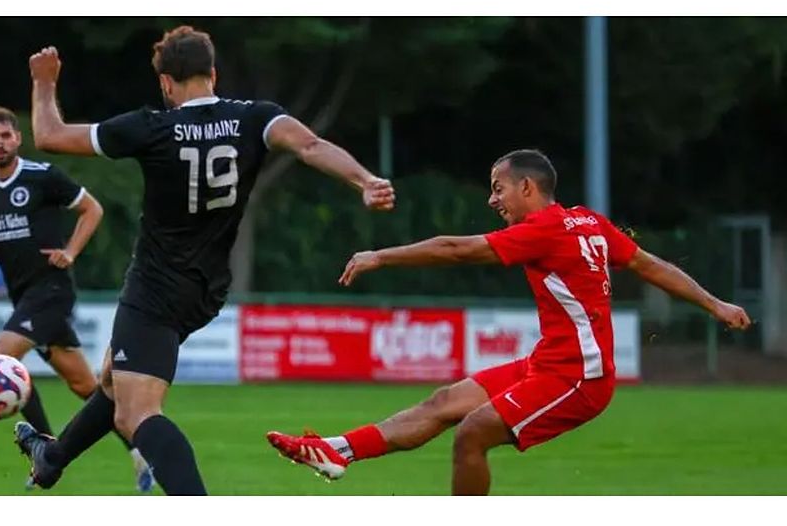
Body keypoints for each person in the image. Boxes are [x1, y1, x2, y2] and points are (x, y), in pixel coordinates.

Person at [14, 25, 395, 496]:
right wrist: (365, 180)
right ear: (212, 73)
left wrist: (45, 82)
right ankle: (50, 458)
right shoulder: (256, 119)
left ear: (165, 83)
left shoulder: (151, 127)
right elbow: (310, 146)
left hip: (154, 288)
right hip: (207, 288)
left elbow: (49, 136)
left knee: (137, 414)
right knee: (114, 379)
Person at [266, 149, 752, 495]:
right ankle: (337, 451)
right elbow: (650, 265)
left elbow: (456, 250)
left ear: (527, 187)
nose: (493, 200)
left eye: (498, 188)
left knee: (471, 433)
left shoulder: (542, 229)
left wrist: (381, 256)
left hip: (579, 378)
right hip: (549, 365)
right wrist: (716, 305)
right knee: (446, 402)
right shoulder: (588, 221)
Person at [0, 106, 152, 492]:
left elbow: (92, 209)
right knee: (88, 387)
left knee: (2, 360)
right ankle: (139, 450)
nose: (0, 143)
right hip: (23, 298)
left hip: (52, 291)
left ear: (18, 138)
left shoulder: (43, 177)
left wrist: (71, 251)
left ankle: (44, 453)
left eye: (6, 135)